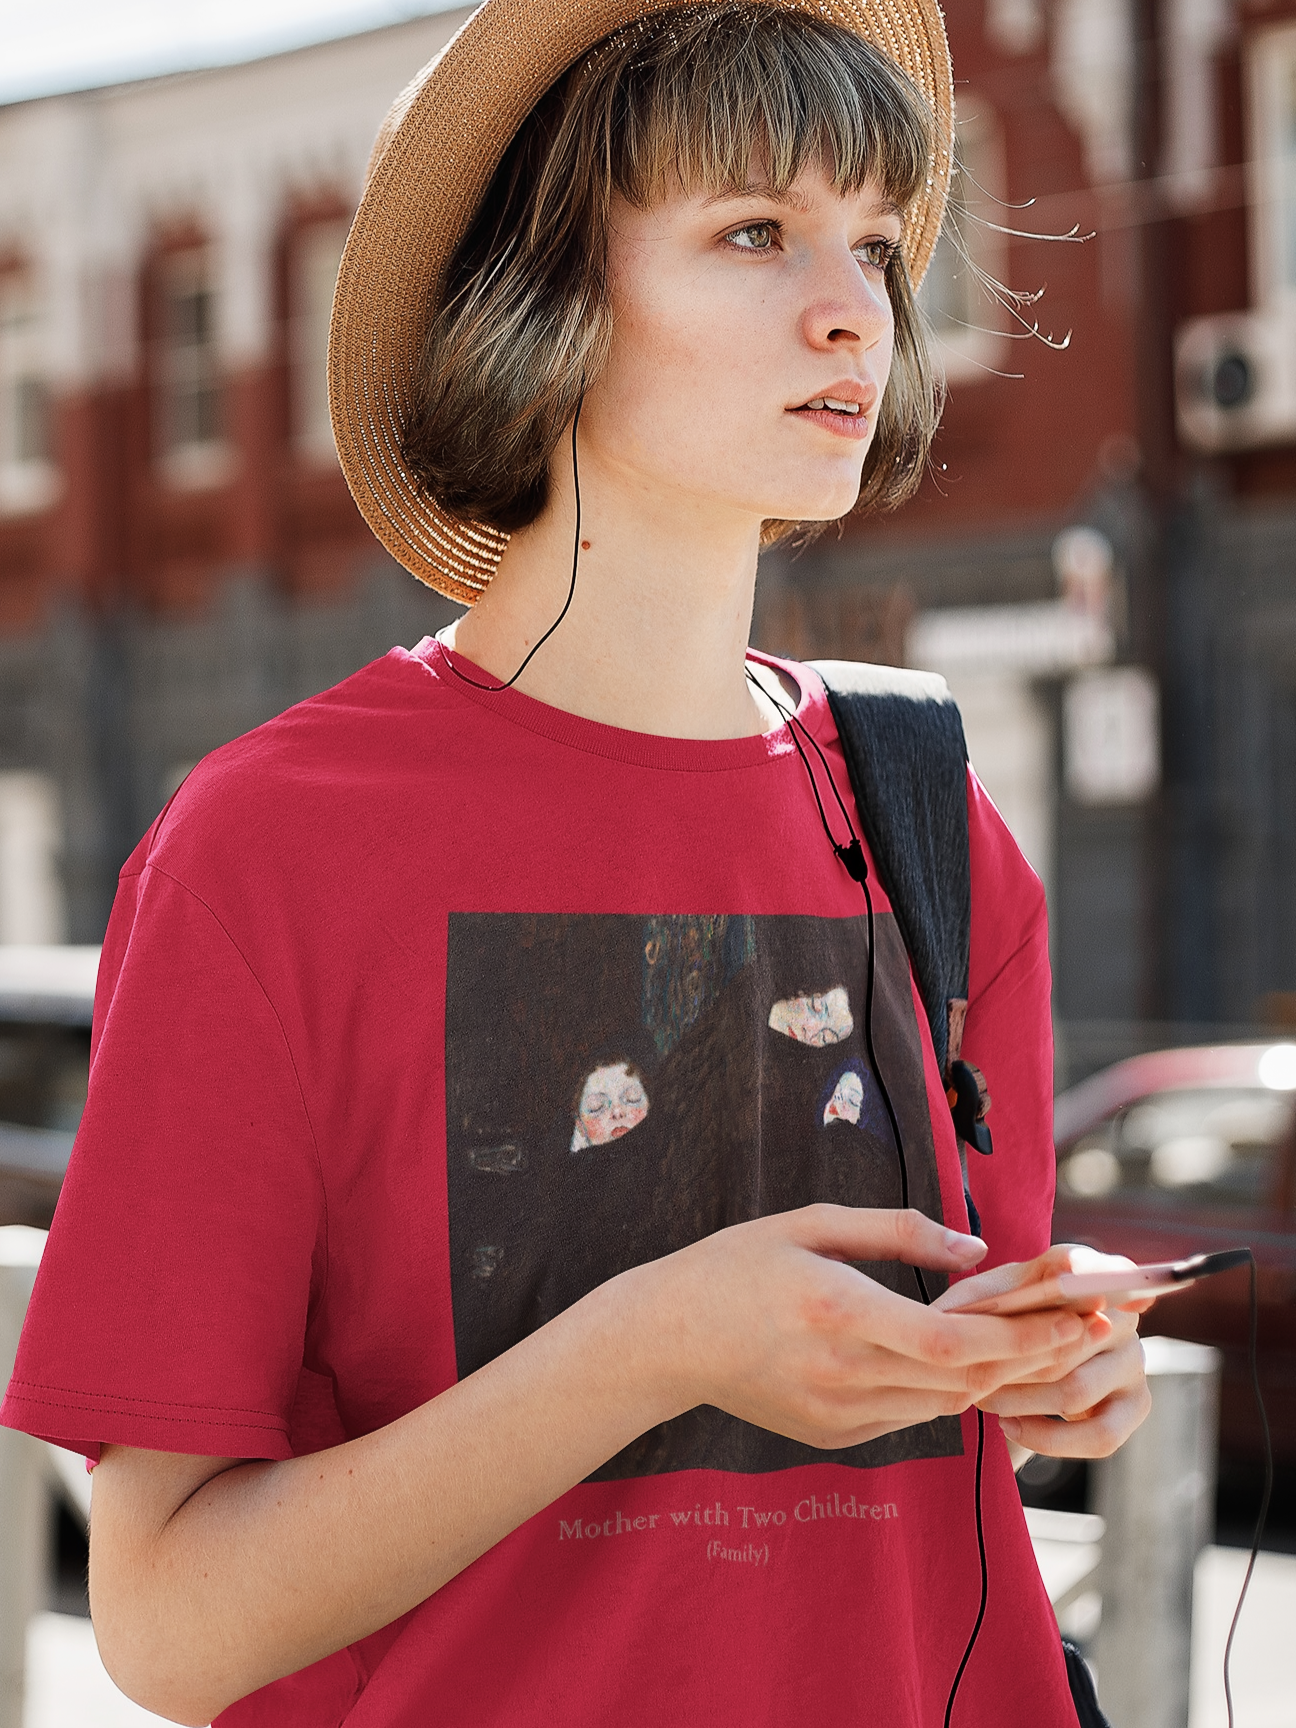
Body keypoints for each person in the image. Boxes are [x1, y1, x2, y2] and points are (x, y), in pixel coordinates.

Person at [1, 3, 1152, 1724]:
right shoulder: (270, 848)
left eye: (875, 239)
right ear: (541, 298)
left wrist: (1044, 1369)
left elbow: (942, 1373)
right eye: (754, 233)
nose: (853, 304)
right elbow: (165, 1622)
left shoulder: (939, 820)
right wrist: (651, 1349)